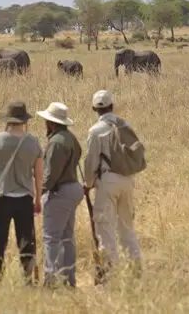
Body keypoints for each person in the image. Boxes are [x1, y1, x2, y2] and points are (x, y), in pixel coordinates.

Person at [84, 90, 142, 283]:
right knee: (127, 228)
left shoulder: (95, 131)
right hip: (127, 180)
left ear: (94, 108)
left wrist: (88, 184)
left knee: (105, 230)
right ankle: (136, 272)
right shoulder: (124, 124)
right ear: (112, 106)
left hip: (107, 181)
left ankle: (110, 276)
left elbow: (91, 162)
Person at [0, 102, 43, 284]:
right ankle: (27, 278)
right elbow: (39, 174)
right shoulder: (33, 142)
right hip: (24, 198)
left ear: (8, 120)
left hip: (1, 198)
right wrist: (38, 198)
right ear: (24, 120)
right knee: (26, 241)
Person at [36, 102, 84, 289]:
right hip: (73, 188)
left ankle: (51, 281)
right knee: (67, 237)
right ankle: (69, 279)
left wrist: (39, 193)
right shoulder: (70, 138)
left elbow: (51, 174)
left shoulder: (56, 142)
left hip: (60, 191)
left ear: (51, 123)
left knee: (51, 238)